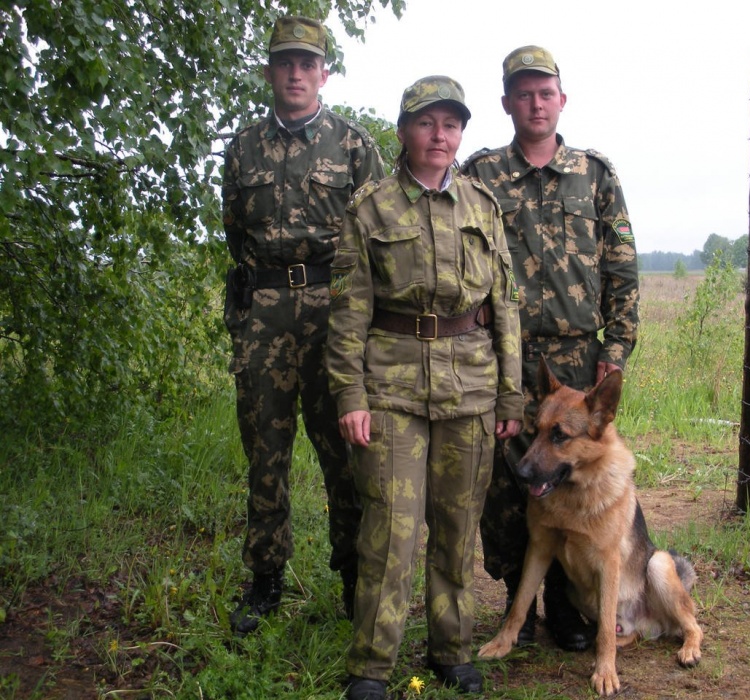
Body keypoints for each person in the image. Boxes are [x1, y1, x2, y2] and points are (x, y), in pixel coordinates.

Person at [326, 76, 523, 700]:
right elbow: (348, 313)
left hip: (470, 388)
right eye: (426, 123)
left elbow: (506, 307)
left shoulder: (482, 207)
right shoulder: (371, 208)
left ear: (461, 133)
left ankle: (452, 649)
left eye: (451, 124)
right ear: (405, 130)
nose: (440, 135)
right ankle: (372, 665)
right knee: (392, 528)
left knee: (458, 524)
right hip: (391, 389)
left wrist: (511, 395)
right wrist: (350, 396)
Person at [461, 45, 640, 652]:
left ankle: (566, 611)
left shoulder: (595, 174)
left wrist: (614, 350)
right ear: (506, 102)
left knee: (569, 483)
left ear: (561, 99)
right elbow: (457, 255)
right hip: (499, 354)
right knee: (504, 485)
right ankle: (520, 597)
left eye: (545, 92)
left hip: (574, 359)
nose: (535, 103)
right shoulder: (479, 175)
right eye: (523, 92)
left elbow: (622, 268)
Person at [221, 15, 386, 636]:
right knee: (265, 450)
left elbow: (375, 235)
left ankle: (352, 578)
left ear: (324, 73)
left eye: (307, 63)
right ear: (270, 72)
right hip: (263, 312)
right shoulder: (243, 147)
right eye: (285, 63)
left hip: (332, 311)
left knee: (344, 451)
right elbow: (236, 228)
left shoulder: (353, 144)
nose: (296, 73)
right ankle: (265, 581)